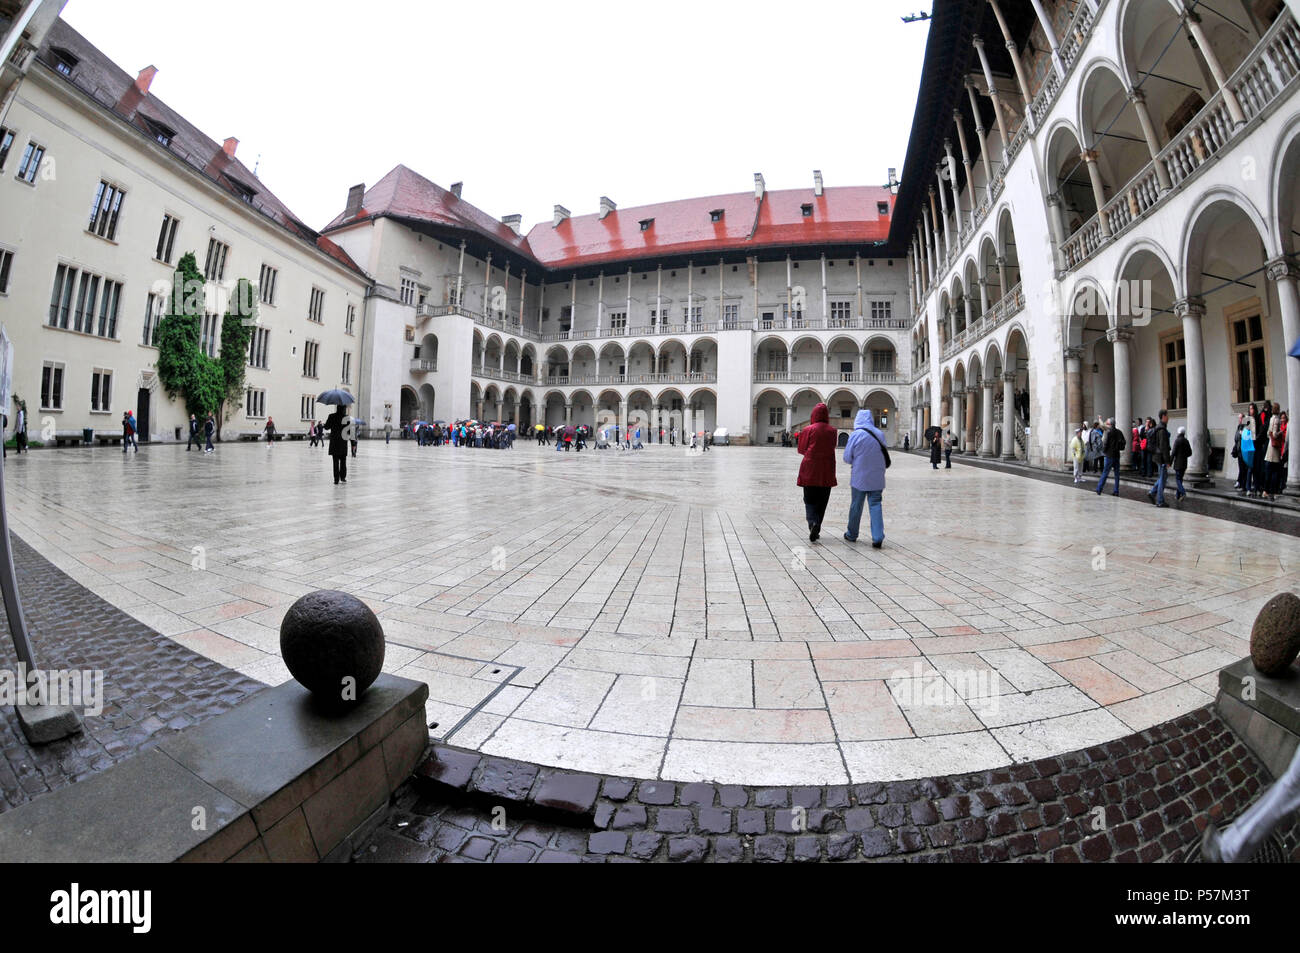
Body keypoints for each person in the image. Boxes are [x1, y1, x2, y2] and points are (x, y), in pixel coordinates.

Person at [843, 409, 888, 548]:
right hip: (877, 476)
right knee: (875, 505)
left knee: (856, 505)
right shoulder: (880, 434)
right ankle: (878, 537)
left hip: (859, 476)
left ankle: (852, 534)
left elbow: (847, 457)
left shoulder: (856, 435)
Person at [796, 402, 837, 543]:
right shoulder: (833, 431)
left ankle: (812, 522)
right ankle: (817, 524)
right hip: (827, 469)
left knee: (809, 499)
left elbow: (801, 449)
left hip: (810, 468)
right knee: (822, 501)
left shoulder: (808, 429)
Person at [1146, 410, 1171, 507]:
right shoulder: (1162, 430)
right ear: (1163, 416)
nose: (1168, 418)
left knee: (1162, 477)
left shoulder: (1158, 428)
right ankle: (1160, 500)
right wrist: (1167, 461)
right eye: (1167, 416)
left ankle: (1152, 492)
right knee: (1163, 478)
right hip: (1161, 457)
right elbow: (1163, 447)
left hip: (1157, 456)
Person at [1094, 417, 1123, 496]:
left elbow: (1105, 443)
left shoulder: (1108, 432)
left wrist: (1104, 451)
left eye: (1107, 423)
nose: (1106, 424)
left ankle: (1099, 488)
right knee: (1117, 474)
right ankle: (1116, 491)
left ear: (1110, 424)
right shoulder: (1119, 432)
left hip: (1109, 455)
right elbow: (1123, 442)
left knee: (1105, 473)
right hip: (1116, 455)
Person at [1264, 407, 1283, 501]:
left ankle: (1266, 491)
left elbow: (1268, 433)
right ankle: (1272, 491)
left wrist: (1271, 435)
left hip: (1269, 446)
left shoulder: (1271, 418)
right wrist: (1281, 432)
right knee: (1275, 471)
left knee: (1268, 471)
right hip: (1274, 448)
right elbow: (1275, 434)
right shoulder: (1277, 420)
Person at [326, 406, 349, 484]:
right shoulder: (346, 418)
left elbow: (326, 427)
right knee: (343, 461)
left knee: (335, 462)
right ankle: (343, 477)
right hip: (343, 442)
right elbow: (349, 432)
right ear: (343, 409)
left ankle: (336, 479)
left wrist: (325, 424)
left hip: (334, 442)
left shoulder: (331, 416)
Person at [1172, 425, 1192, 502]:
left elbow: (1173, 452)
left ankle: (1183, 492)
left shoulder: (1177, 441)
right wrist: (1184, 455)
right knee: (1180, 479)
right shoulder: (1186, 441)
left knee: (1178, 479)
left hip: (1178, 463)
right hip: (1184, 463)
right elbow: (1190, 453)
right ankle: (1177, 495)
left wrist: (1169, 462)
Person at [1240, 416, 1257, 496]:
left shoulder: (1250, 431)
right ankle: (1248, 488)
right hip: (1249, 452)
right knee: (1250, 470)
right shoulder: (1246, 431)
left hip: (1253, 451)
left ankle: (1253, 487)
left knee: (1253, 470)